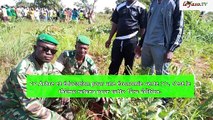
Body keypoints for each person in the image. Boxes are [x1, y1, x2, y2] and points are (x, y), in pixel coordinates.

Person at [0, 33, 72, 120]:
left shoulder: (46, 64)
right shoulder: (22, 71)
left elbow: (57, 75)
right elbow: (31, 107)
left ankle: (64, 115)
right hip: (13, 109)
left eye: (53, 51)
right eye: (45, 49)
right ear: (35, 48)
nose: (49, 53)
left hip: (36, 101)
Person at [135, 0, 184, 75]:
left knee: (161, 76)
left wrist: (171, 50)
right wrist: (140, 44)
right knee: (145, 73)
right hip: (147, 44)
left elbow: (179, 27)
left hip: (161, 46)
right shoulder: (153, 2)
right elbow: (148, 25)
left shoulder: (175, 2)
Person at [105, 0, 147, 75]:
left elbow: (143, 27)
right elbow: (115, 24)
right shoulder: (119, 7)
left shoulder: (141, 8)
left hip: (131, 41)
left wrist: (141, 44)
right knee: (114, 65)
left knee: (128, 66)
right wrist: (109, 39)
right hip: (118, 41)